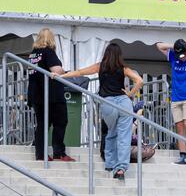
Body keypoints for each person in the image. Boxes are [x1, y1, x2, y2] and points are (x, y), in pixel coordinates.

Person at [59, 43, 143, 180]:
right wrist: (129, 94)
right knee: (124, 137)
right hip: (124, 103)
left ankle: (110, 163)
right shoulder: (123, 68)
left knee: (111, 133)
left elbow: (80, 72)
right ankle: (121, 169)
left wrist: (62, 76)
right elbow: (139, 81)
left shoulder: (100, 66)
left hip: (108, 102)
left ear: (106, 53)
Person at [26, 28, 74, 162]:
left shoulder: (33, 55)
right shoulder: (48, 51)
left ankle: (40, 153)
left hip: (36, 94)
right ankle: (58, 151)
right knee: (61, 121)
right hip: (51, 95)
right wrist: (64, 71)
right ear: (51, 39)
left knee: (42, 124)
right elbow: (57, 70)